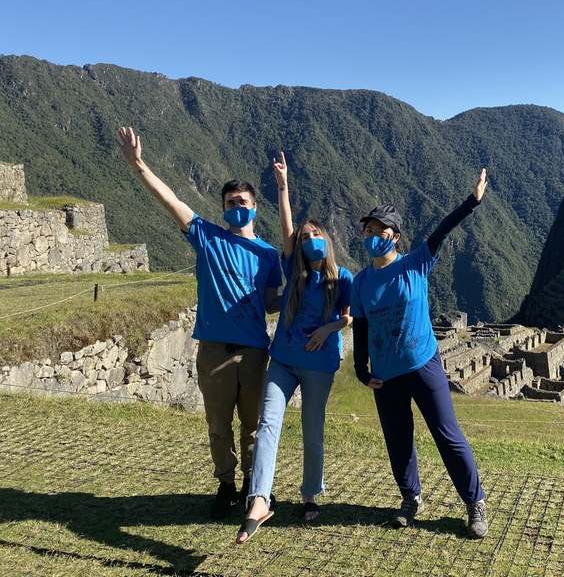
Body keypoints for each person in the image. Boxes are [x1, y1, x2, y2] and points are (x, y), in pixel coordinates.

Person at [116, 127, 282, 519]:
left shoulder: (269, 255)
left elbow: (273, 304)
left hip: (255, 352)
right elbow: (170, 200)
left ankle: (250, 486)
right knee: (218, 424)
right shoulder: (207, 237)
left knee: (253, 427)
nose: (236, 207)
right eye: (229, 202)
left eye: (242, 201)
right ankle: (226, 484)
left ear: (255, 207)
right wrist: (138, 164)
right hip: (214, 352)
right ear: (222, 208)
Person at [352, 169, 490, 539]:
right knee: (398, 440)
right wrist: (360, 370)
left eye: (379, 230)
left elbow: (441, 231)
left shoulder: (415, 264)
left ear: (394, 236)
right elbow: (361, 328)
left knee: (448, 435)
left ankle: (474, 502)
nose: (371, 235)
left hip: (422, 365)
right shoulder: (361, 281)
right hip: (385, 374)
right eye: (367, 230)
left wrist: (472, 202)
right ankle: (411, 498)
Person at [237, 152, 353, 543]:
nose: (309, 240)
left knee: (312, 430)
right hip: (283, 360)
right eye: (304, 238)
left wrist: (328, 328)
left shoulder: (343, 279)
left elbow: (351, 317)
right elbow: (286, 224)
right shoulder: (293, 270)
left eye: (315, 235)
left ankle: (310, 494)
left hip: (320, 364)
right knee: (269, 423)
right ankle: (259, 498)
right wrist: (282, 185)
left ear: (327, 240)